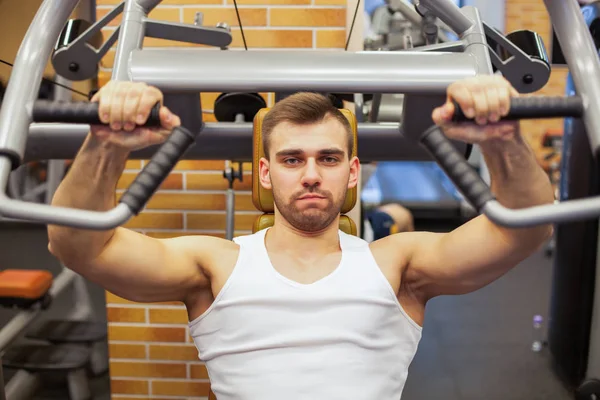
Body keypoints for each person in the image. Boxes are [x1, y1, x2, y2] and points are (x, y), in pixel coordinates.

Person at [47, 75, 554, 400]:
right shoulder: (214, 265)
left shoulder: (398, 264)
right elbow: (77, 245)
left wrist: (502, 140)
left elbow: (526, 230)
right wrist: (105, 144)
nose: (311, 174)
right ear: (265, 174)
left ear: (352, 173)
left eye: (328, 159)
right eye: (292, 160)